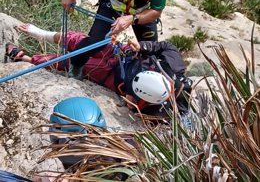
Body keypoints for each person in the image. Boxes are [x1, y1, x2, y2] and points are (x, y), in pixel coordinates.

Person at [5, 22, 192, 119]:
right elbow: (167, 46)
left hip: (114, 77)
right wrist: (142, 46)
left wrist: (132, 104)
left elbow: (140, 112)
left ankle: (26, 59)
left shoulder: (160, 109)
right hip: (127, 54)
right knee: (84, 43)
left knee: (76, 63)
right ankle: (42, 34)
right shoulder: (173, 66)